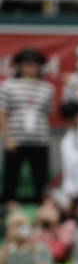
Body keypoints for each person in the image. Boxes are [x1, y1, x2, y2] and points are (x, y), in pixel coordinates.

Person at [0, 47, 54, 204]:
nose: (30, 66)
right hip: (15, 140)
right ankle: (7, 212)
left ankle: (41, 212)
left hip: (40, 141)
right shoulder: (8, 85)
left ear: (40, 66)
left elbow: (47, 113)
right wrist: (7, 137)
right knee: (10, 180)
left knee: (41, 180)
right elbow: (2, 113)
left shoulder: (48, 89)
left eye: (34, 63)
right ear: (19, 66)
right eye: (26, 63)